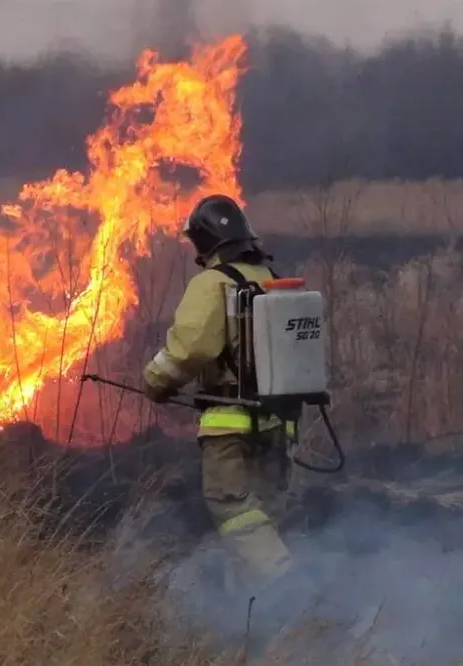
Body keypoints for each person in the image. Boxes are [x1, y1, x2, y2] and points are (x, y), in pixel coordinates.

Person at [142, 193, 297, 600]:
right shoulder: (272, 278)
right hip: (278, 423)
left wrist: (156, 381)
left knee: (235, 512)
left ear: (203, 243)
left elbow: (190, 348)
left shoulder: (212, 284)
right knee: (263, 515)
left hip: (230, 427)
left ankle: (293, 594)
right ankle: (257, 620)